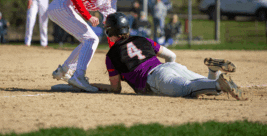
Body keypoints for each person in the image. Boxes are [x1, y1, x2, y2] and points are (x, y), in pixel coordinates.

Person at [99, 12, 244, 100]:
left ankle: (219, 83)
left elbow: (116, 89)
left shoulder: (111, 55)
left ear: (110, 31)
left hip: (154, 78)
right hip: (170, 66)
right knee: (208, 89)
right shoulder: (142, 39)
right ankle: (213, 71)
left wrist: (95, 86)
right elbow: (171, 55)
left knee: (188, 90)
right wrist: (169, 68)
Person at [49, 0, 143, 92]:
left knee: (88, 40)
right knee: (91, 39)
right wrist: (88, 16)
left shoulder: (112, 1)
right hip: (61, 5)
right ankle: (78, 76)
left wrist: (118, 56)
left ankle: (64, 70)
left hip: (67, 9)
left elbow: (112, 31)